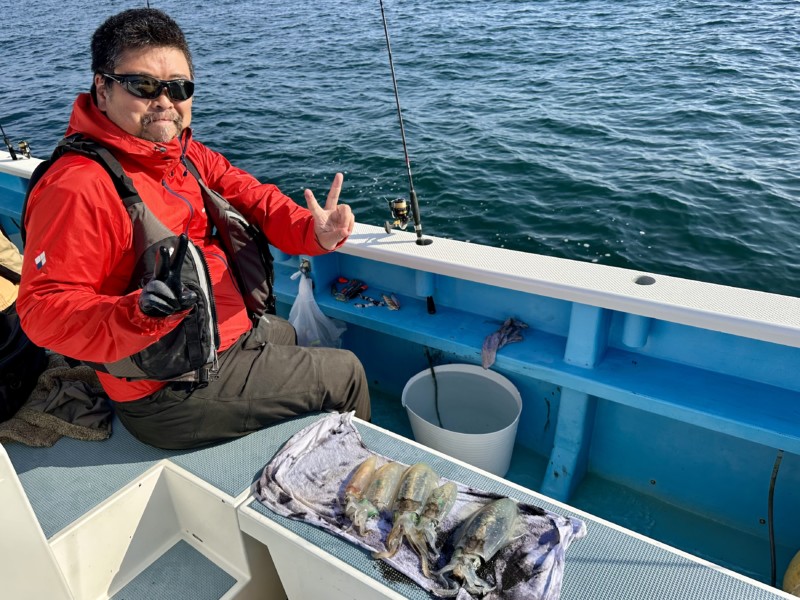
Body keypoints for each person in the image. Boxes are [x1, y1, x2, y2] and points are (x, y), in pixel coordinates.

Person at [17, 8, 371, 449]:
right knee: (346, 373)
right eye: (143, 86)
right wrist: (139, 314)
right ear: (102, 90)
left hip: (219, 334)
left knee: (289, 334)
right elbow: (43, 312)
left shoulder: (185, 155)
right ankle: (351, 473)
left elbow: (255, 199)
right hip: (166, 389)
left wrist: (313, 231)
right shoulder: (78, 186)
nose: (165, 101)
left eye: (179, 87)